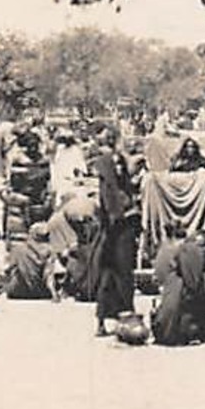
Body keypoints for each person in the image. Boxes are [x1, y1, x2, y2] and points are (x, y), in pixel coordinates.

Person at [90, 129, 139, 336]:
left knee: (110, 275)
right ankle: (123, 318)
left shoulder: (106, 161)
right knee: (121, 274)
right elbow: (110, 190)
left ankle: (106, 321)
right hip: (118, 226)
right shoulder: (108, 162)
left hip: (112, 227)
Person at [151, 228, 205, 345]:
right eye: (203, 246)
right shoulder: (189, 252)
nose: (204, 250)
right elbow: (197, 288)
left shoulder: (165, 250)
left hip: (161, 327)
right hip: (176, 327)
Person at [3, 222, 61, 301]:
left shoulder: (18, 250)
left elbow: (7, 269)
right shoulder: (49, 251)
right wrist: (54, 294)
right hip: (40, 293)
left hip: (18, 292)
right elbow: (48, 275)